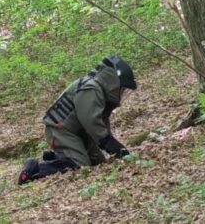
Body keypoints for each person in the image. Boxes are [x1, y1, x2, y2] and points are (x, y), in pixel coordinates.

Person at [18, 56, 137, 185]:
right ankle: (34, 170)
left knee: (98, 162)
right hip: (61, 130)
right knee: (80, 166)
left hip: (78, 132)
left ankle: (56, 159)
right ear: (113, 82)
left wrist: (113, 145)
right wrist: (109, 143)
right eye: (122, 89)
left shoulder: (99, 92)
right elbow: (92, 122)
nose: (122, 94)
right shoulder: (91, 89)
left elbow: (101, 123)